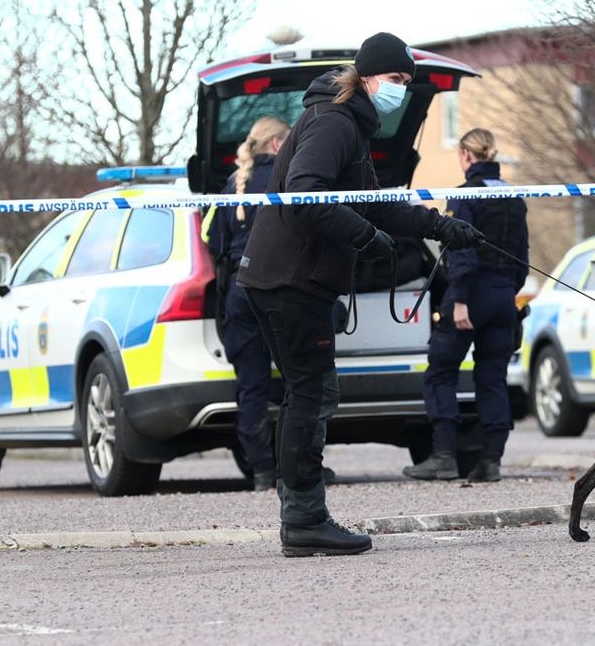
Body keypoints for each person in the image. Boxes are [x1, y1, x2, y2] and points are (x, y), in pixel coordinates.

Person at [237, 32, 484, 557]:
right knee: (310, 395)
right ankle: (304, 520)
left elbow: (373, 203)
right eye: (395, 80)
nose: (400, 90)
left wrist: (440, 226)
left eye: (406, 83)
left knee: (309, 393)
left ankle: (303, 517)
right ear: (368, 77)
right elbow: (305, 194)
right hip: (289, 281)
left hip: (290, 279)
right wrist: (364, 238)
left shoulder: (347, 120)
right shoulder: (333, 122)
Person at [404, 128, 529, 484]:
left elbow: (462, 253)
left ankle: (443, 456)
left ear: (466, 157)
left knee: (441, 372)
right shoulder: (516, 198)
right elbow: (523, 256)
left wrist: (458, 301)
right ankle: (491, 461)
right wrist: (508, 293)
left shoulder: (464, 197)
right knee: (492, 379)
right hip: (504, 298)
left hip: (470, 296)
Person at [202, 116, 290, 492]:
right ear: (275, 145)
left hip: (241, 290)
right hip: (282, 288)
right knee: (299, 383)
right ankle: (297, 468)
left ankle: (263, 472)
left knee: (251, 387)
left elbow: (211, 240)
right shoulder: (288, 182)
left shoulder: (230, 187)